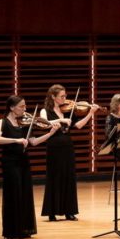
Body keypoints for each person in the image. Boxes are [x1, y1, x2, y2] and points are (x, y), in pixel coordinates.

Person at [0, 95, 63, 239]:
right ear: (12, 108)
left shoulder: (24, 124)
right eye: (21, 107)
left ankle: (24, 229)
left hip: (23, 161)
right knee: (13, 194)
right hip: (10, 162)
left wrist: (50, 133)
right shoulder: (3, 122)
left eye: (25, 106)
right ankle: (12, 231)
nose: (25, 109)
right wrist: (16, 140)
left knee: (24, 194)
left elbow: (34, 142)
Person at [40, 84, 98, 222]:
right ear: (53, 97)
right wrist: (60, 120)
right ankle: (52, 212)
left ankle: (69, 212)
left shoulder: (67, 111)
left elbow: (78, 125)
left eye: (65, 96)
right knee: (54, 178)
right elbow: (43, 123)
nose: (65, 99)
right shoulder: (45, 110)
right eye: (62, 96)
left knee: (69, 178)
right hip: (54, 147)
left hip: (67, 147)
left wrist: (90, 113)